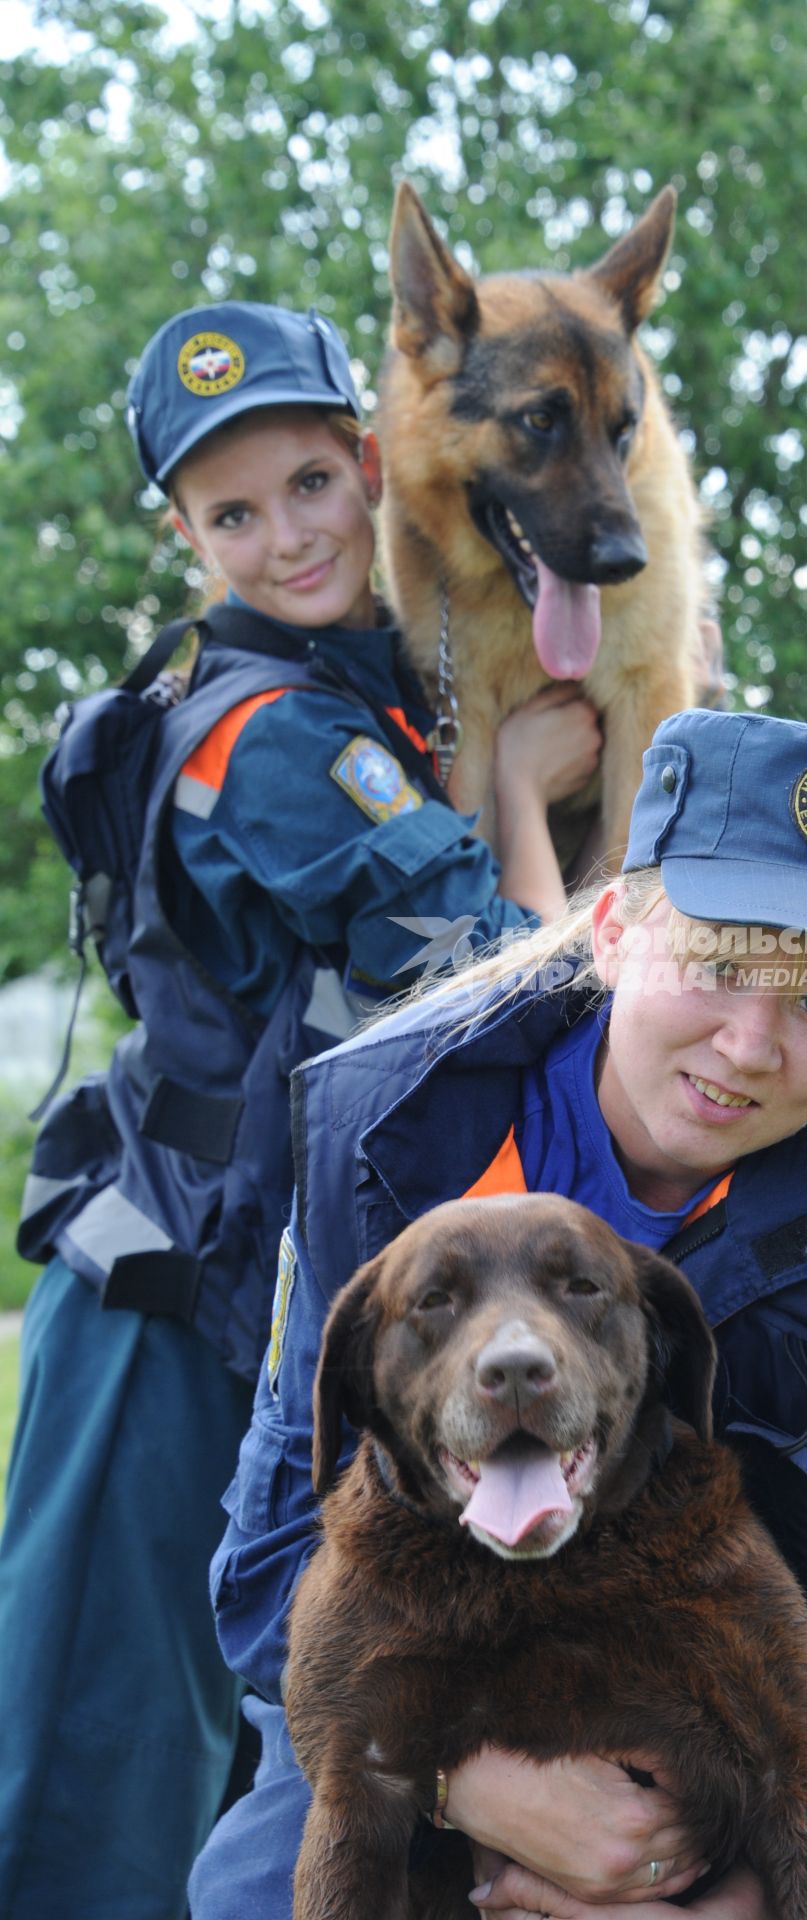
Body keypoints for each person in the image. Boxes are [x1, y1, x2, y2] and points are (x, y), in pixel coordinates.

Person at [190, 706, 807, 1920]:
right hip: (420, 1729)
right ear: (612, 931)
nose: (753, 1042)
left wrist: (736, 1904)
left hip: (749, 1781)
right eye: (717, 966)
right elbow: (266, 1568)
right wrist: (474, 1790)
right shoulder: (390, 1139)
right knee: (253, 1892)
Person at [0, 300, 601, 1919]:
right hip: (158, 1311)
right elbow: (508, 974)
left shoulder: (355, 698)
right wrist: (528, 793)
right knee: (89, 1773)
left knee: (241, 1761)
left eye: (310, 484)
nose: (286, 538)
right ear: (181, 534)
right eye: (231, 513)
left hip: (258, 1299)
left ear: (365, 461)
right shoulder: (276, 739)